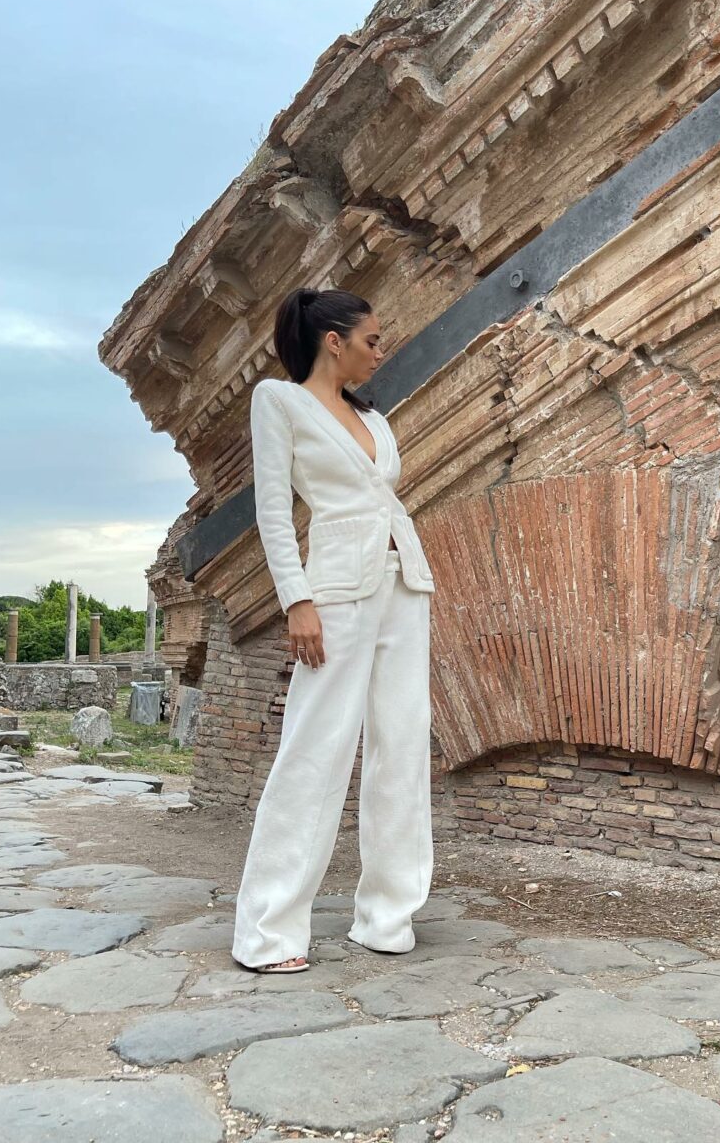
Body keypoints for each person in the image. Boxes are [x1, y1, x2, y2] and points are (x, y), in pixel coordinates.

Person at [231, 286, 436, 974]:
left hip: (402, 585)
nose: (381, 351)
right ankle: (267, 931)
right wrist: (297, 601)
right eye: (373, 340)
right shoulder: (278, 402)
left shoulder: (374, 419)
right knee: (314, 751)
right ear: (333, 341)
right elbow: (271, 510)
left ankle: (387, 915)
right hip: (335, 593)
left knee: (401, 749)